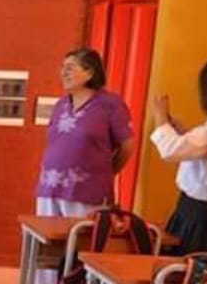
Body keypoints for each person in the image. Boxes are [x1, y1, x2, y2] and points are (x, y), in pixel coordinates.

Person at [35, 48, 135, 219]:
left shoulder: (110, 104)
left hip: (87, 192)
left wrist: (105, 173)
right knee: (45, 234)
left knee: (80, 235)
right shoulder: (60, 105)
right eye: (62, 67)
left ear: (90, 73)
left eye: (70, 68)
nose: (63, 73)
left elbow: (127, 146)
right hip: (50, 188)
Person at [150, 58, 207, 254]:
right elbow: (205, 152)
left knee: (187, 263)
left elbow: (169, 150)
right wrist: (185, 134)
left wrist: (161, 118)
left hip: (200, 215)